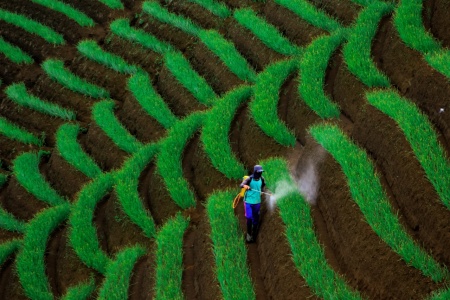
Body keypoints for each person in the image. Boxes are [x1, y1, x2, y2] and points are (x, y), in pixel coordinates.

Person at [240, 165, 266, 243]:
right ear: (255, 172)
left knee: (255, 220)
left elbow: (263, 185)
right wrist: (246, 186)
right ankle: (248, 235)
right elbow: (241, 185)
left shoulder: (262, 179)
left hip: (257, 202)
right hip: (248, 202)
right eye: (259, 172)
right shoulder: (249, 179)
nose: (260, 173)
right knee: (249, 217)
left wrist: (261, 190)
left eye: (261, 172)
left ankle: (254, 236)